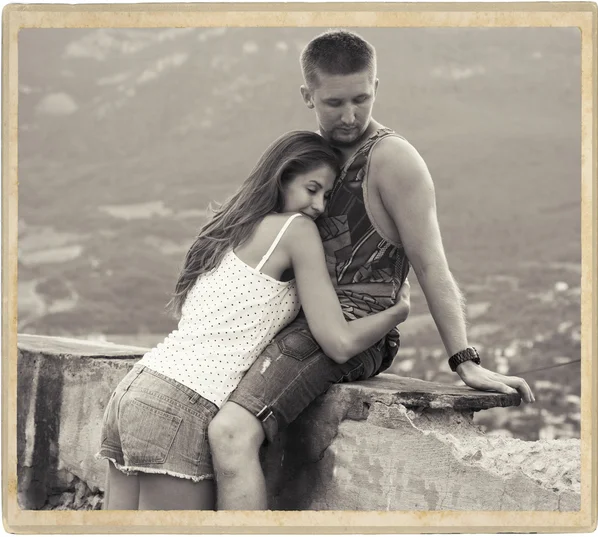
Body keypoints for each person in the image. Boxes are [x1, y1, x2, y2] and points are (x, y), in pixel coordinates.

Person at [207, 29, 536, 510]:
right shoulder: (308, 157)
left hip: (354, 331)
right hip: (290, 319)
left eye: (361, 99)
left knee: (231, 432)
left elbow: (431, 262)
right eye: (334, 102)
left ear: (376, 87)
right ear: (308, 96)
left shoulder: (392, 160)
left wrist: (465, 359)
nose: (349, 115)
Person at [96, 130, 411, 510]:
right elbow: (338, 342)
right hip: (181, 402)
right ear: (282, 177)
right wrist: (397, 312)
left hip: (134, 391)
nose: (319, 206)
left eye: (327, 195)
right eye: (312, 189)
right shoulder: (296, 230)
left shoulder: (228, 228)